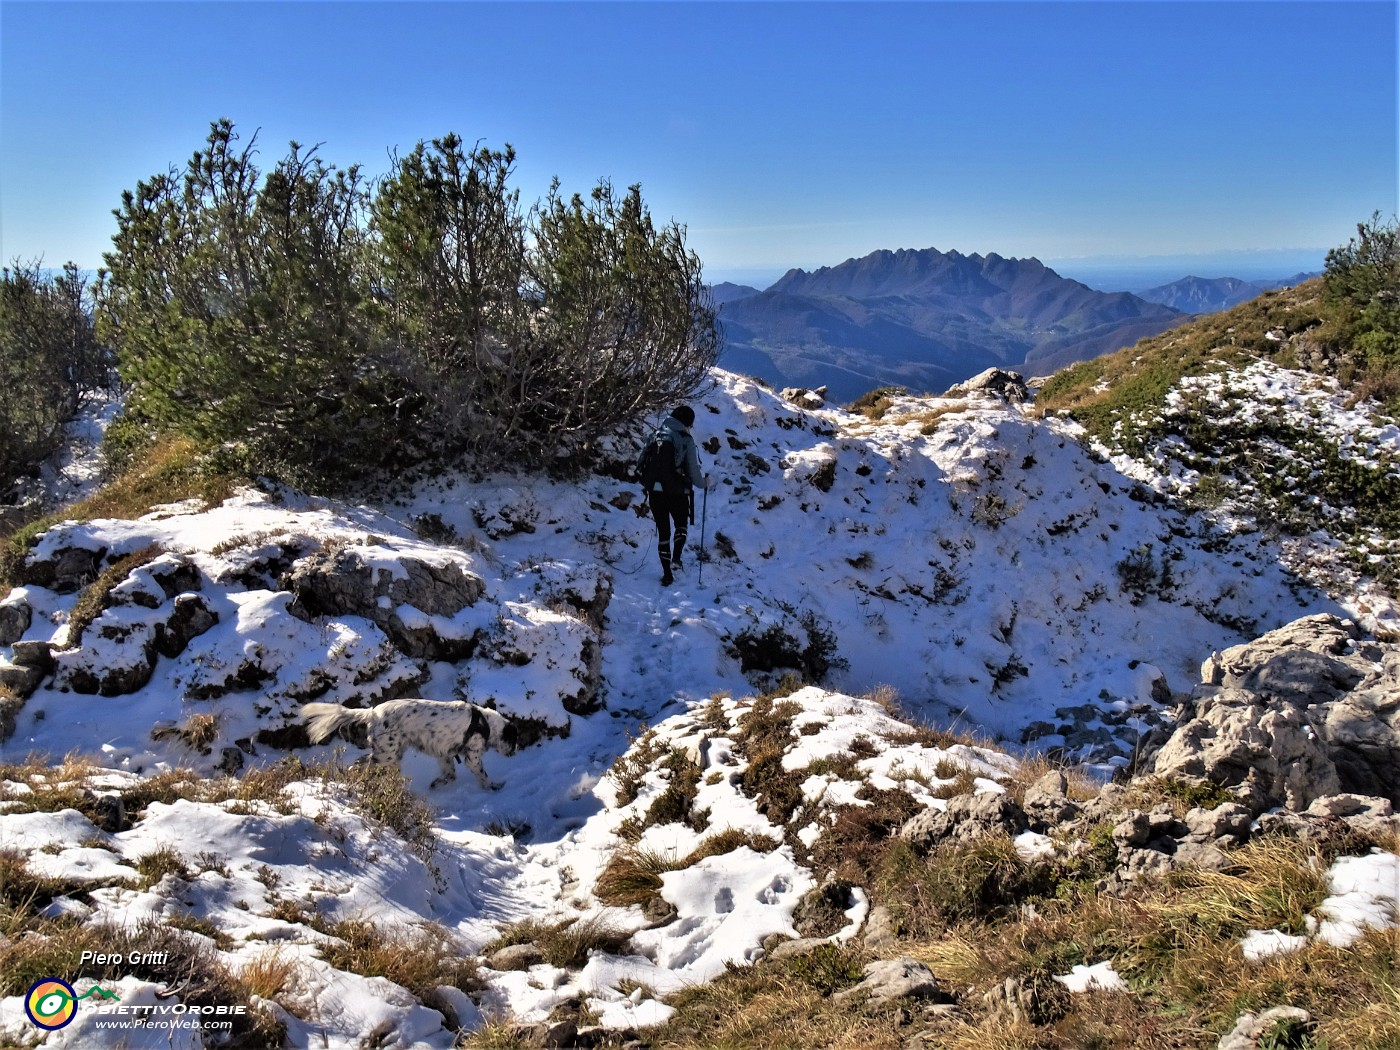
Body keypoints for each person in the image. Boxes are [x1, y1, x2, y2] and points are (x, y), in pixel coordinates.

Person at [638, 405, 712, 586]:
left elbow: (641, 464)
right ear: (687, 422)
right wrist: (704, 483)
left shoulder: (655, 435)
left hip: (655, 492)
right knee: (681, 525)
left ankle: (667, 574)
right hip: (677, 492)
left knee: (663, 533)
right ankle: (676, 559)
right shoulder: (685, 439)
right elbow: (693, 472)